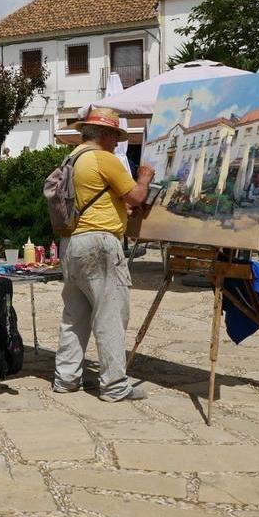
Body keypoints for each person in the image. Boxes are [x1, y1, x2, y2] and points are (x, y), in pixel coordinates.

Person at [54, 107, 153, 402]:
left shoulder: (72, 158)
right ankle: (113, 385)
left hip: (71, 243)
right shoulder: (103, 158)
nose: (116, 143)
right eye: (115, 136)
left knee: (75, 315)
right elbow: (135, 195)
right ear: (106, 134)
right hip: (99, 243)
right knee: (110, 314)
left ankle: (66, 379)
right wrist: (144, 178)